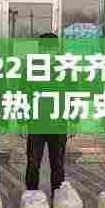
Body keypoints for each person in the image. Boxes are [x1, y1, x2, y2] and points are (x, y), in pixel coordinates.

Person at [25, 33, 67, 198]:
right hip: (36, 124)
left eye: (51, 48)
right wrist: (21, 121)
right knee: (33, 163)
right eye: (44, 48)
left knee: (57, 164)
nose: (48, 52)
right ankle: (31, 197)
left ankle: (58, 198)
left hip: (59, 124)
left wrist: (74, 121)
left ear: (56, 49)